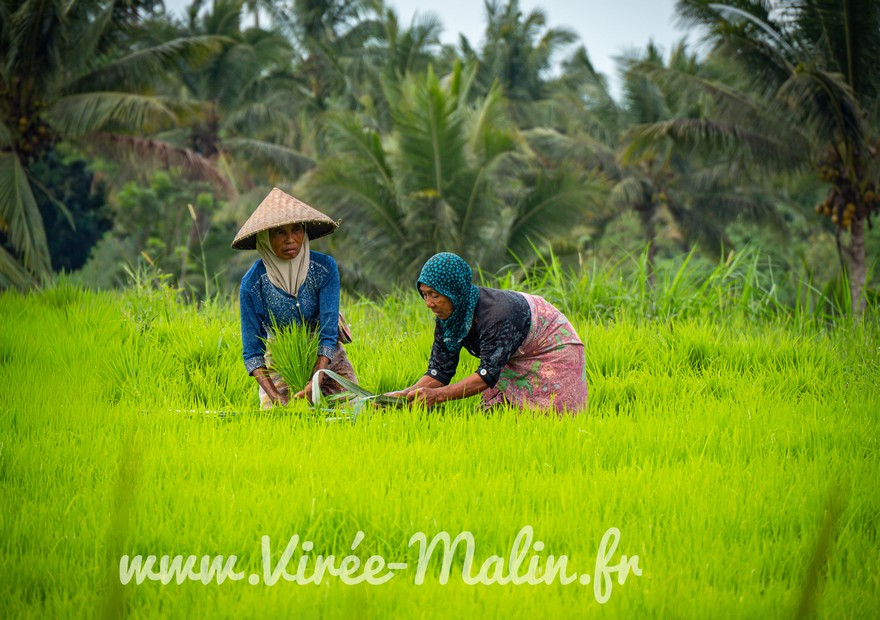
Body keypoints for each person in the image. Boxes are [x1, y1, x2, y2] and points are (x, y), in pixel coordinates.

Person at [387, 252, 588, 414]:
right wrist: (401, 396)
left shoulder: (496, 315)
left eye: (434, 295)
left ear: (454, 291)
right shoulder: (448, 317)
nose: (429, 303)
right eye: (424, 294)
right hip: (516, 353)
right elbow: (439, 371)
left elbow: (487, 375)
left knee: (552, 418)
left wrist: (437, 396)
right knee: (500, 418)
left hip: (552, 350)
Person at [232, 187, 357, 408]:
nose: (290, 239)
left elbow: (328, 332)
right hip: (282, 358)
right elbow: (252, 352)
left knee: (348, 410)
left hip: (326, 355)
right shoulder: (253, 284)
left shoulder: (324, 269)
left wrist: (318, 376)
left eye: (297, 229)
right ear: (265, 238)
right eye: (279, 232)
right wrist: (274, 395)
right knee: (278, 418)